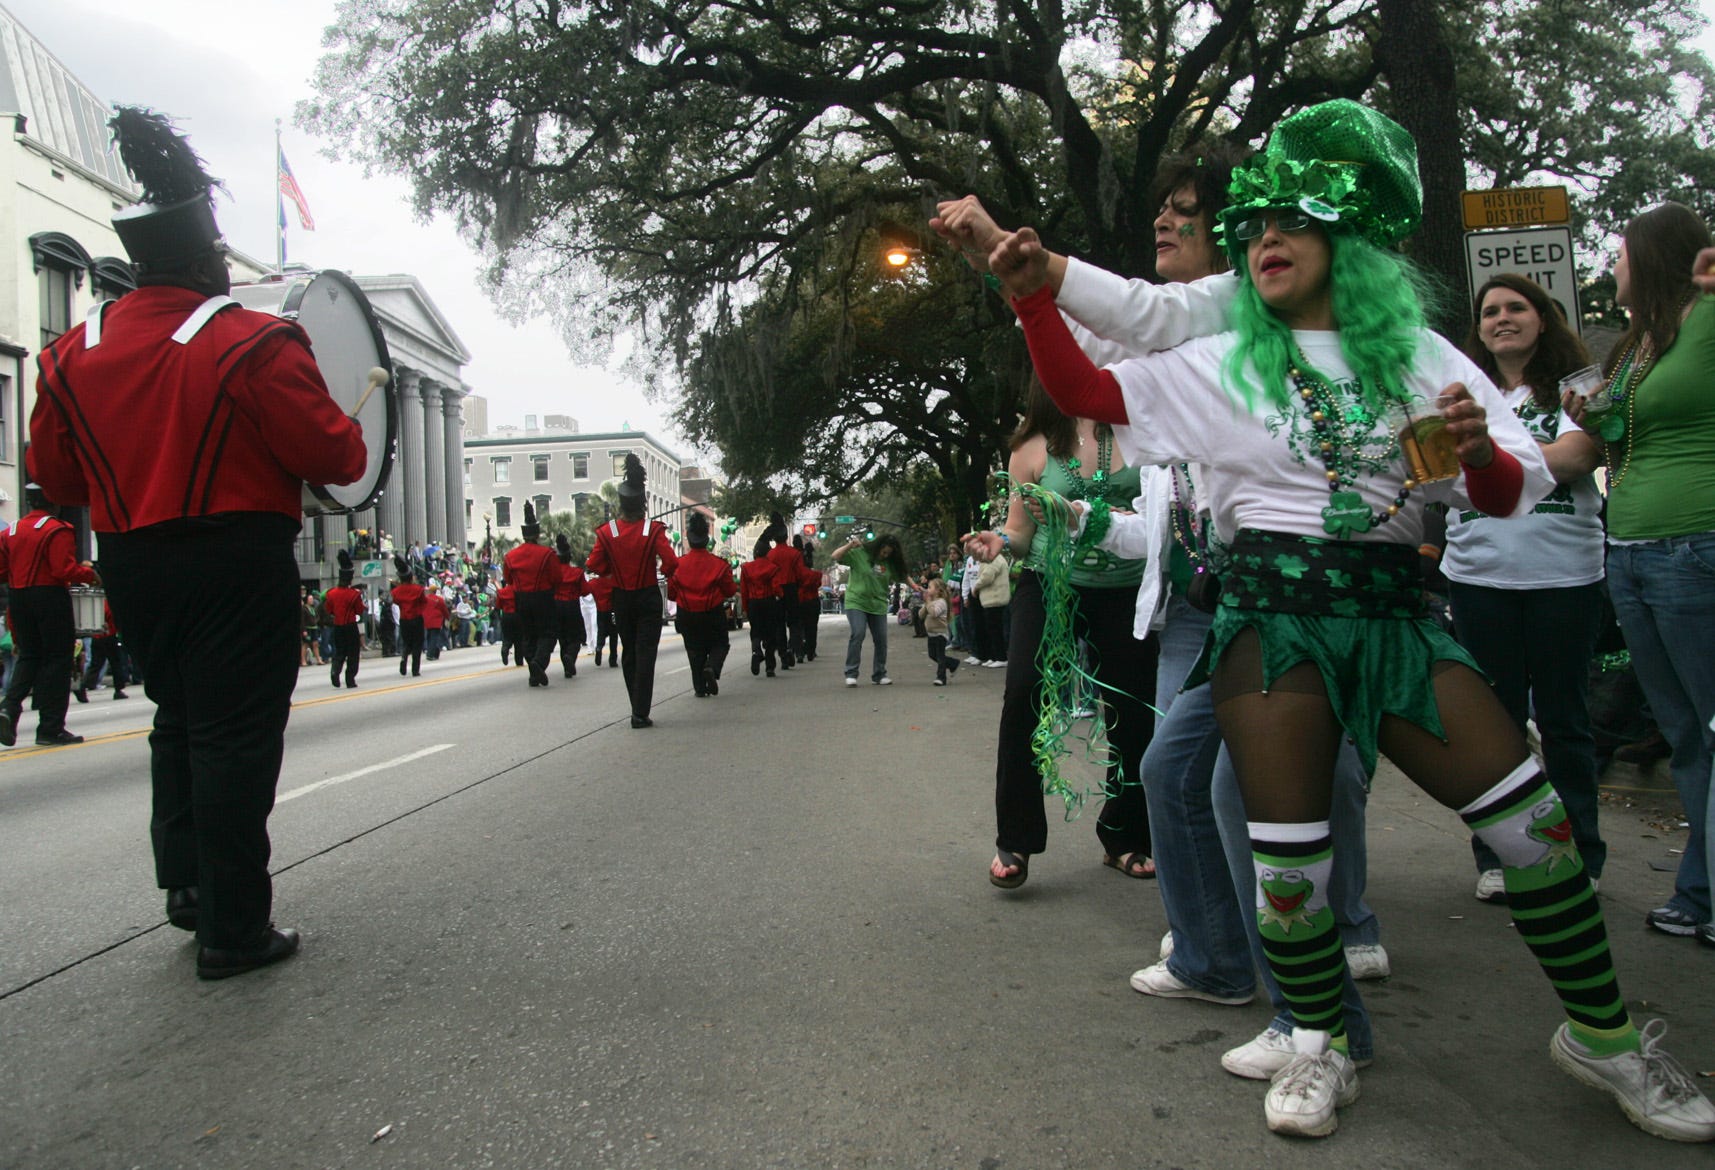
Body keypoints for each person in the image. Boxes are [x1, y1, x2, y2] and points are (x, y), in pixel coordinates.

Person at [983, 100, 1713, 1141]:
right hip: (1268, 624)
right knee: (1289, 855)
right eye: (1254, 227)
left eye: (1292, 223)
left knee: (1533, 828)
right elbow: (1086, 387)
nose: (1264, 240)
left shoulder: (1419, 358)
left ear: (1348, 245)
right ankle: (1317, 1041)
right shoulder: (1220, 357)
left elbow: (1503, 495)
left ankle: (1599, 1037)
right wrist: (1031, 301)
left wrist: (1470, 452)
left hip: (1395, 620)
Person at [27, 108, 365, 978]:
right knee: (236, 735)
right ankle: (233, 928)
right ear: (207, 259)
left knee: (176, 720)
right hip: (234, 557)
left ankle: (185, 886)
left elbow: (57, 481)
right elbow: (337, 454)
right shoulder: (249, 339)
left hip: (133, 560)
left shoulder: (66, 356)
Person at [1567, 204, 1715, 945]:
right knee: (1684, 731)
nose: (1611, 265)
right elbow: (1615, 438)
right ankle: (1698, 893)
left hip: (1696, 545)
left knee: (1711, 725)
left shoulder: (1707, 318)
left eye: (1621, 252)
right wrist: (1587, 416)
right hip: (1627, 551)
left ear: (1657, 256)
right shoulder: (1633, 347)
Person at [1448, 273, 1607, 901]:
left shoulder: (1581, 385)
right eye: (1491, 311)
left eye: (1517, 307)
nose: (1503, 318)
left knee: (1565, 720)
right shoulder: (1460, 392)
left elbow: (1578, 459)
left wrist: (1488, 457)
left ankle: (1580, 857)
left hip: (1564, 576)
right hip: (1479, 576)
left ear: (1544, 318)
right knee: (1497, 722)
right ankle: (1500, 853)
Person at [964, 385, 1158, 887]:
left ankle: (1126, 834)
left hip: (1126, 590)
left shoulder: (1142, 431)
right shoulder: (1031, 448)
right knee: (1024, 691)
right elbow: (1020, 531)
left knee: (1135, 709)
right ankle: (1016, 840)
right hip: (1049, 586)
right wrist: (998, 542)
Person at [0, 485, 100, 745]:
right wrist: (90, 575)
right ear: (52, 502)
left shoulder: (10, 530)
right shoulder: (58, 528)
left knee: (29, 656)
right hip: (50, 597)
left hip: (18, 597)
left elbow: (1, 571)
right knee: (58, 659)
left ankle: (8, 708)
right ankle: (50, 727)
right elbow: (62, 569)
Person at [586, 454, 678, 726]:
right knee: (646, 652)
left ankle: (635, 705)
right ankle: (640, 710)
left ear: (621, 504)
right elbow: (671, 562)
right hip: (648, 595)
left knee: (629, 652)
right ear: (643, 503)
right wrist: (662, 572)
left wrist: (611, 571)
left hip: (621, 599)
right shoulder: (653, 529)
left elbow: (594, 564)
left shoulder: (608, 531)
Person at [669, 512, 737, 696]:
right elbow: (730, 590)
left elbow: (671, 594)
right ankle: (712, 667)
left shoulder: (678, 565)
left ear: (689, 539)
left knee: (694, 650)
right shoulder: (719, 565)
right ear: (706, 539)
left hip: (687, 613)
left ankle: (699, 687)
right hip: (712, 612)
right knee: (720, 643)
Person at [831, 532, 909, 687]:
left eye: (888, 553)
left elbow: (903, 575)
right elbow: (836, 556)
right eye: (883, 551)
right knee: (858, 633)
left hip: (878, 603)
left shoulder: (889, 563)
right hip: (856, 601)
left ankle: (879, 674)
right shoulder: (860, 554)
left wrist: (916, 587)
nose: (884, 555)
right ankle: (851, 673)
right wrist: (850, 545)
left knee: (881, 639)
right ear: (877, 547)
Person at [503, 503, 561, 687]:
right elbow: (557, 577)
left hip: (521, 598)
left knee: (528, 636)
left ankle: (533, 672)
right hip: (543, 597)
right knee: (548, 634)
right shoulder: (547, 554)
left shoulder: (511, 556)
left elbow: (508, 579)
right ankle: (538, 663)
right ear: (537, 534)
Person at [740, 537, 784, 677]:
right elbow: (776, 587)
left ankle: (756, 651)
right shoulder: (772, 568)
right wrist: (780, 595)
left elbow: (744, 590)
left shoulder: (746, 568)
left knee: (756, 630)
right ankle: (770, 667)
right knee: (771, 633)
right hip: (768, 601)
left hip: (753, 602)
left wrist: (746, 607)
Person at [324, 551, 365, 688]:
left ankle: (335, 671)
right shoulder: (354, 594)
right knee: (353, 653)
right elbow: (359, 611)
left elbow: (329, 610)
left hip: (337, 626)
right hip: (350, 625)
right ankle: (350, 679)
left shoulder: (331, 593)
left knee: (339, 651)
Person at [81, 595, 131, 701]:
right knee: (116, 663)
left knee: (96, 664)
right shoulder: (107, 602)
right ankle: (118, 689)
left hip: (97, 636)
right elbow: (110, 615)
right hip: (109, 635)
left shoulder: (95, 602)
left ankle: (83, 686)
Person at [553, 535, 588, 678]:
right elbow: (585, 591)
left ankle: (567, 666)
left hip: (556, 606)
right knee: (575, 638)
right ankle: (570, 657)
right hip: (572, 605)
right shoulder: (577, 572)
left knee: (562, 639)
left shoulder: (553, 573)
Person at [391, 557, 427, 677]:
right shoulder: (418, 589)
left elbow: (396, 601)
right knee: (417, 644)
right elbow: (424, 602)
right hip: (416, 618)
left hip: (404, 619)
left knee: (406, 642)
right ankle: (415, 669)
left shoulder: (396, 591)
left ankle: (403, 658)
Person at [922, 577, 960, 685]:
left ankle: (941, 678)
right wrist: (926, 605)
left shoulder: (941, 602)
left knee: (940, 656)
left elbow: (934, 613)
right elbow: (921, 615)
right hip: (931, 634)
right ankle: (953, 663)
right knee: (932, 655)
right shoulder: (932, 602)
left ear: (938, 590)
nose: (928, 590)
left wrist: (928, 603)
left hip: (940, 633)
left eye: (930, 587)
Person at [588, 572, 618, 666]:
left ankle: (599, 648)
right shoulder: (613, 582)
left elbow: (585, 590)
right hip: (612, 610)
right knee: (614, 635)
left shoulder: (593, 583)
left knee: (601, 632)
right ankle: (613, 659)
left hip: (600, 610)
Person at [421, 581, 449, 661]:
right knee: (434, 637)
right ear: (435, 591)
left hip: (426, 620)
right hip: (436, 621)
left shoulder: (425, 599)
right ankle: (430, 654)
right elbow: (444, 610)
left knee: (430, 637)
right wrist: (447, 617)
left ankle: (435, 652)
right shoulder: (439, 599)